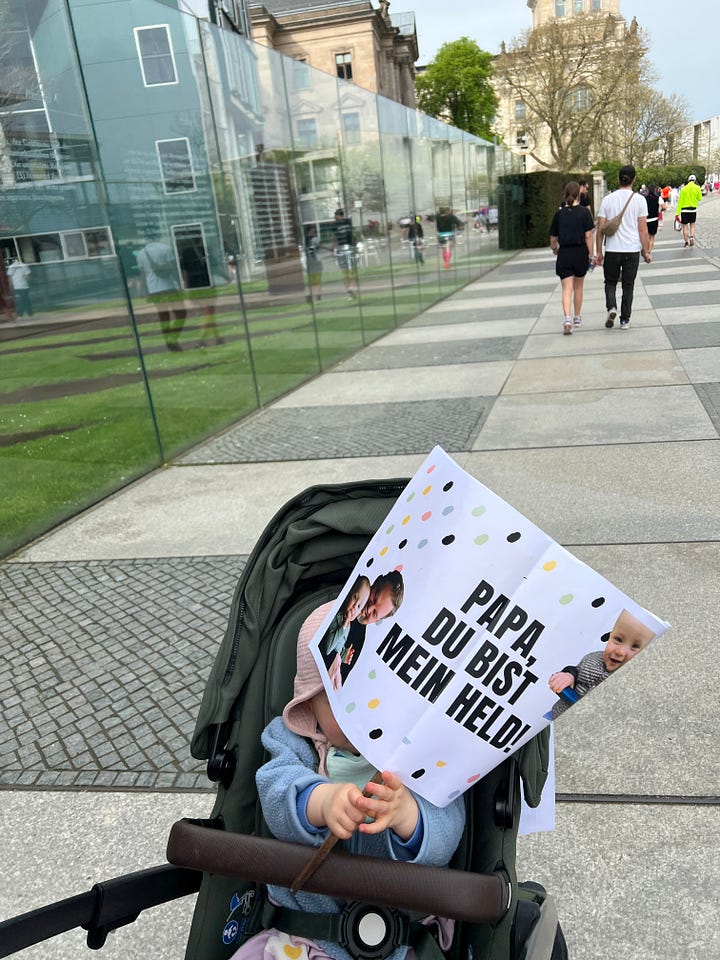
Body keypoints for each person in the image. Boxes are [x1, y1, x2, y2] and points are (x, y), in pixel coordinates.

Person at [228, 604, 465, 960]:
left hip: (400, 940)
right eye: (345, 702)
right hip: (303, 936)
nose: (366, 713)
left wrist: (408, 818)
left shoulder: (420, 755)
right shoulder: (297, 740)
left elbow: (448, 826)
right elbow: (275, 788)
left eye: (381, 699)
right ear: (311, 705)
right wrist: (318, 801)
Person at [548, 608, 656, 720]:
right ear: (609, 636)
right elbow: (576, 670)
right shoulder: (593, 658)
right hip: (556, 715)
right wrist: (568, 676)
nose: (620, 651)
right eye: (618, 639)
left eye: (634, 647)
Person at [595, 164, 652, 330]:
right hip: (632, 249)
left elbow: (601, 229)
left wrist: (599, 252)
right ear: (634, 179)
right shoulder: (640, 200)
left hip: (612, 249)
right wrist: (646, 251)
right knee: (628, 285)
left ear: (618, 179)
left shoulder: (607, 200)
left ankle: (611, 307)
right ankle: (625, 320)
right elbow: (643, 229)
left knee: (610, 282)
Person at [549, 181, 595, 335]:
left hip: (565, 254)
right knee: (578, 287)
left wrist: (555, 249)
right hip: (580, 252)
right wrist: (592, 254)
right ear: (579, 195)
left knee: (566, 289)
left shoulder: (559, 214)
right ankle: (577, 317)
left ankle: (567, 318)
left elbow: (553, 238)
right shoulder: (584, 213)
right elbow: (588, 235)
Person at [320, 574, 371, 687]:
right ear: (348, 595)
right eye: (354, 598)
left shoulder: (349, 626)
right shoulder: (338, 618)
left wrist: (344, 655)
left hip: (337, 664)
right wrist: (343, 626)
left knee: (337, 689)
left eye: (358, 607)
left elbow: (339, 647)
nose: (354, 608)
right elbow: (329, 648)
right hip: (329, 665)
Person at [137, 237, 187, 351]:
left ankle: (169, 342)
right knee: (181, 313)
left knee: (164, 317)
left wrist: (143, 291)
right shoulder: (166, 249)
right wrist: (180, 286)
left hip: (154, 289)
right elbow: (174, 269)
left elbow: (143, 275)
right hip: (169, 286)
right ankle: (173, 338)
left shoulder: (141, 253)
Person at [332, 209, 356, 300]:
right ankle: (350, 290)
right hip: (347, 247)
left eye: (335, 216)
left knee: (347, 270)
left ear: (338, 215)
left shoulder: (339, 223)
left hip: (344, 248)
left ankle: (351, 289)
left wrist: (334, 249)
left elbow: (334, 238)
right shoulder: (347, 222)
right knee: (348, 270)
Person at [675, 173, 703, 247]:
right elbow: (700, 198)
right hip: (693, 209)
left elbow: (680, 201)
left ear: (688, 180)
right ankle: (691, 237)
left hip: (684, 210)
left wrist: (677, 213)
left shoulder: (683, 189)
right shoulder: (697, 187)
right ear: (694, 180)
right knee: (692, 225)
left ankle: (686, 242)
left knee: (685, 226)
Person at [304, 224, 324, 301]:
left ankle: (313, 295)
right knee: (316, 280)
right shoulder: (315, 239)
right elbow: (320, 245)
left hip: (311, 262)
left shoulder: (304, 240)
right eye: (312, 231)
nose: (313, 232)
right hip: (315, 261)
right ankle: (317, 296)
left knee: (313, 280)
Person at [644, 184, 661, 254]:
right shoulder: (658, 198)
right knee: (652, 236)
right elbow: (664, 206)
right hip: (654, 219)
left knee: (647, 236)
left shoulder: (644, 198)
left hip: (646, 219)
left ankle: (646, 249)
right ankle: (649, 251)